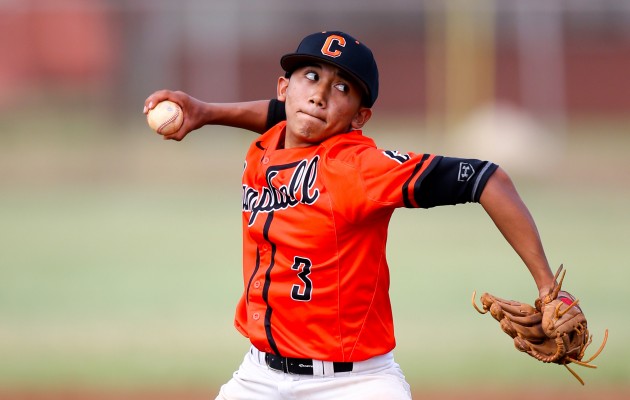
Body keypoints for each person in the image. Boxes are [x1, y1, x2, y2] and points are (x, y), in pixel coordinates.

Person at [144, 31, 557, 400]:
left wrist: (549, 289)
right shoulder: (273, 140)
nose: (320, 95)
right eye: (311, 76)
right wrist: (204, 111)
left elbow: (487, 179)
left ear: (359, 118)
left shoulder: (361, 167)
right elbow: (278, 115)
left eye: (342, 87)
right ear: (285, 88)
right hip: (257, 376)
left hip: (353, 384)